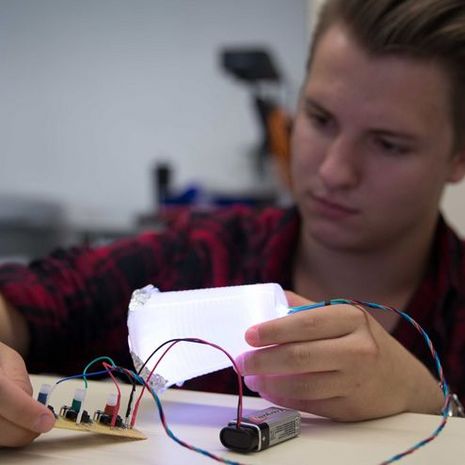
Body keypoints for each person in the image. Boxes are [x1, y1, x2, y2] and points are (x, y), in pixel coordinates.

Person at [1, 0, 465, 448]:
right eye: (320, 118)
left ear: (457, 158)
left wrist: (429, 402)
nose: (333, 172)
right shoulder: (205, 252)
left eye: (388, 144)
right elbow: (35, 298)